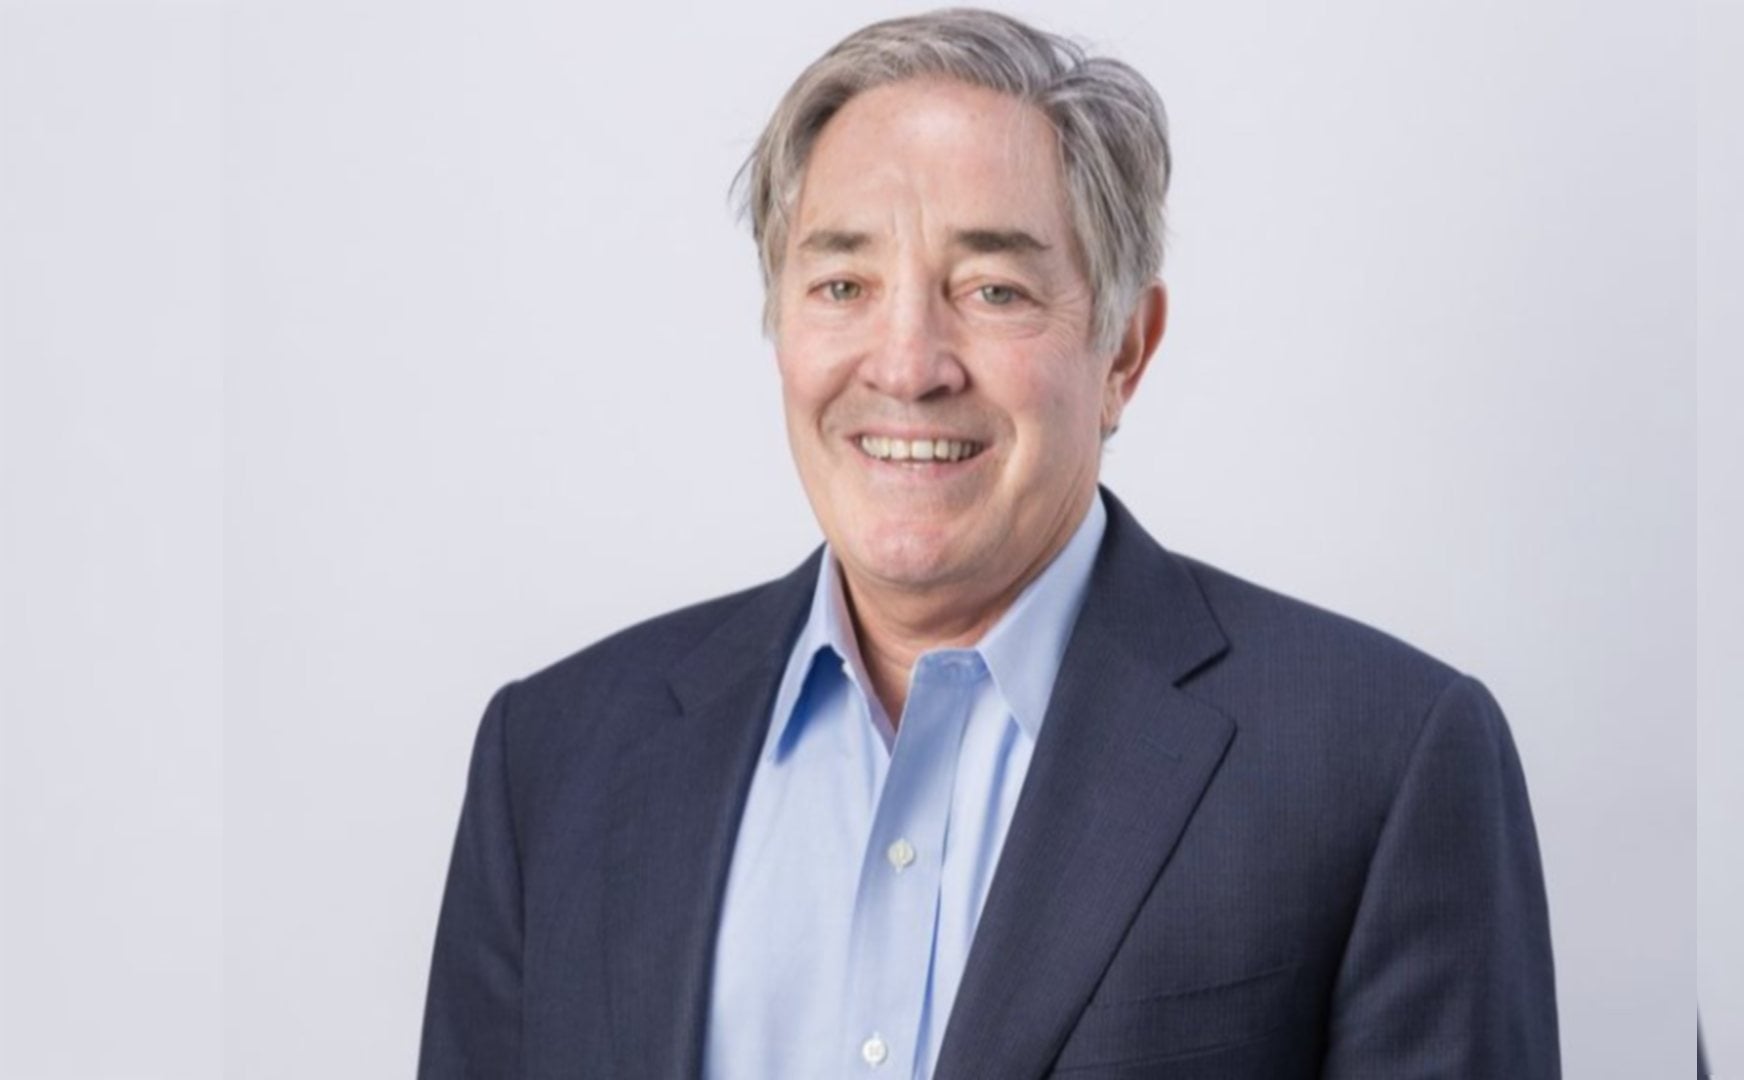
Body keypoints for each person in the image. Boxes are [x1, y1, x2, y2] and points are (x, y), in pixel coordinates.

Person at [418, 8, 1559, 1078]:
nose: (907, 365)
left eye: (994, 290)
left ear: (1124, 350)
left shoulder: (1380, 762)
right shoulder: (554, 761)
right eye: (843, 284)